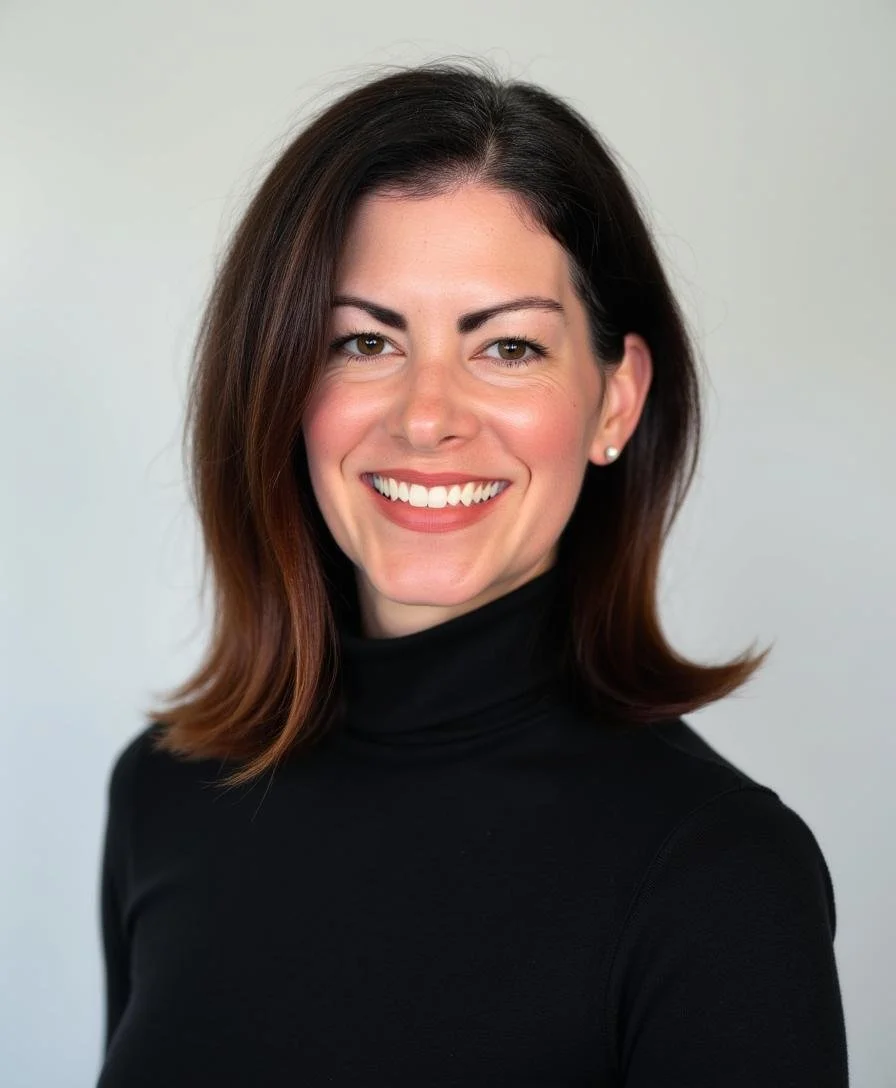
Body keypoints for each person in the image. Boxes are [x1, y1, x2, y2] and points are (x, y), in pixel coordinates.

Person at [96, 59, 849, 1086]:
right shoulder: (166, 792)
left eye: (505, 348)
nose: (424, 415)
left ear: (615, 400)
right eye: (362, 339)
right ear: (278, 384)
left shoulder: (718, 872)